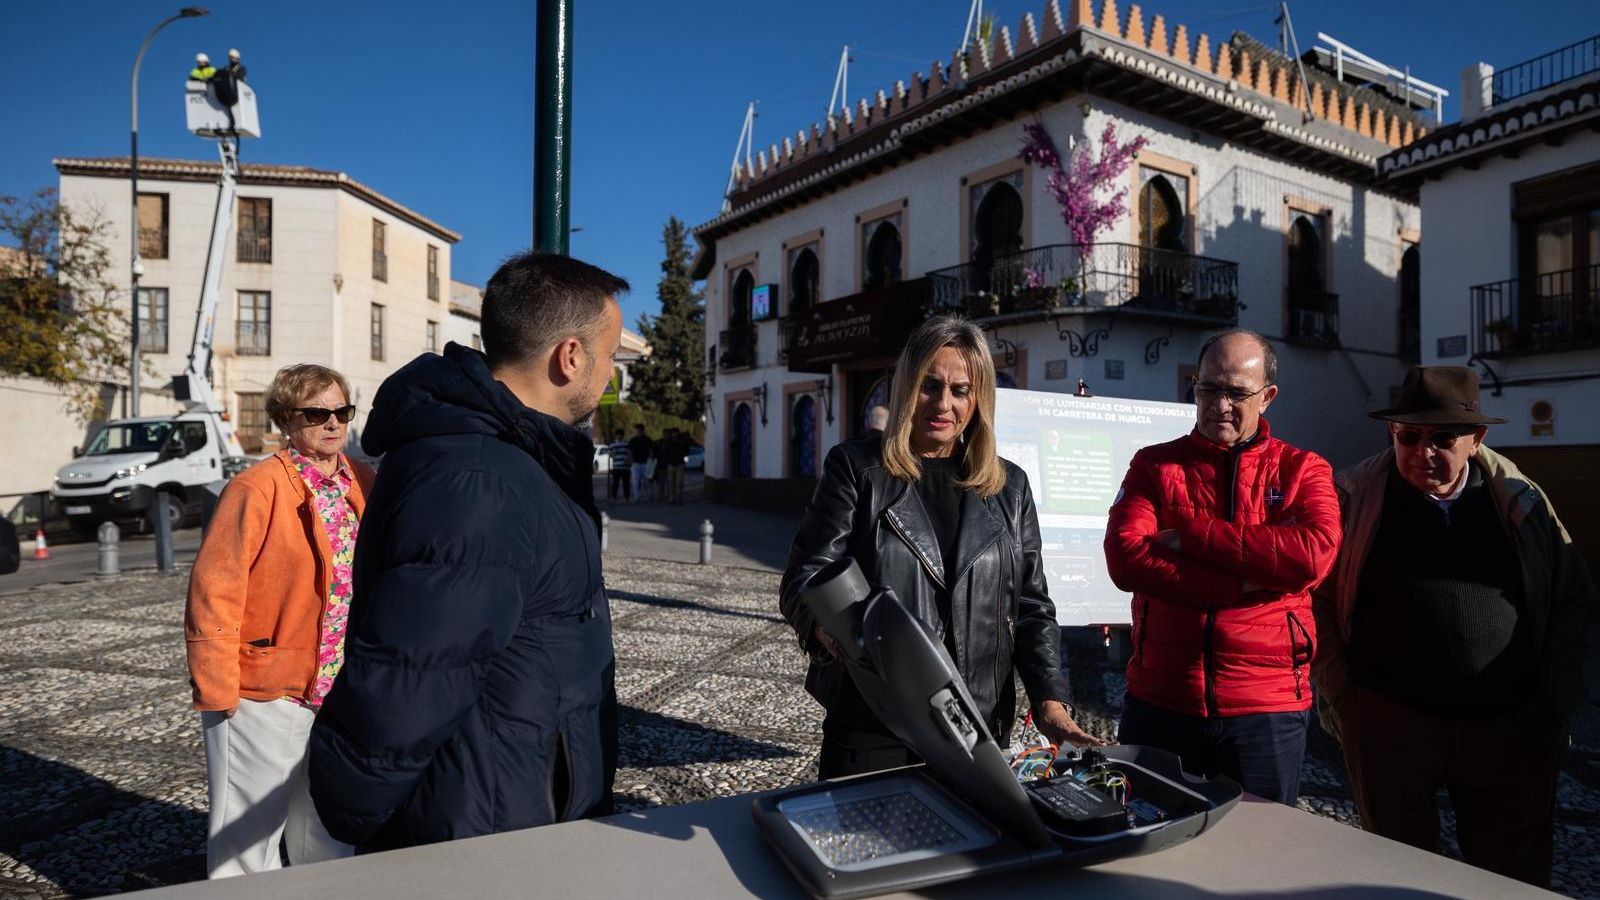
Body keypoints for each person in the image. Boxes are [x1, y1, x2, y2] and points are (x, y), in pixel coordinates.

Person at [309, 252, 625, 852]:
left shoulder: (514, 460)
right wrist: (351, 812)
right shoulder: (481, 477)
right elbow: (413, 674)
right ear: (571, 356)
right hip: (484, 826)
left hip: (516, 802)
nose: (611, 375)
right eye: (609, 356)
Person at [1312, 366, 1597, 888]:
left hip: (1507, 725)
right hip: (1388, 723)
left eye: (1443, 438)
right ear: (1391, 433)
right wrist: (1345, 695)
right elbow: (1319, 599)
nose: (1424, 452)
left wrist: (1551, 702)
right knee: (1396, 876)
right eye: (1409, 436)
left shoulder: (1520, 499)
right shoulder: (1354, 496)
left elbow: (1573, 596)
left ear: (1476, 439)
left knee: (1511, 877)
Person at [781, 315, 1100, 778]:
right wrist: (829, 629)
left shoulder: (1011, 488)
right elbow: (804, 576)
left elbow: (1031, 606)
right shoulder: (855, 469)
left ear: (979, 399)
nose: (943, 404)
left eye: (960, 390)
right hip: (874, 725)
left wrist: (1051, 700)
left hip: (978, 729)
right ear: (907, 387)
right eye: (930, 386)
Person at [1103, 329, 1340, 805]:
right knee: (1145, 850)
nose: (1221, 405)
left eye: (1237, 392)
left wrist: (1190, 536)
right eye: (1209, 388)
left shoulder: (1302, 469)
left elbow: (1313, 552)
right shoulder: (1154, 465)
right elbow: (1126, 559)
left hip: (1265, 708)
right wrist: (1244, 583)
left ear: (1267, 397)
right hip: (1160, 700)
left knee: (1260, 861)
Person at [184, 364, 372, 877]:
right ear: (286, 420)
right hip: (263, 689)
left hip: (339, 685)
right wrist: (217, 687)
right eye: (317, 413)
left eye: (342, 411)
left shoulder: (362, 480)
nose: (333, 424)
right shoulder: (256, 487)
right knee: (247, 837)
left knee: (327, 829)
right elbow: (213, 590)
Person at [659, 426, 687, 505]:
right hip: (671, 464)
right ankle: (672, 497)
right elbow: (664, 452)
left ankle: (679, 497)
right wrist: (667, 462)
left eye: (675, 433)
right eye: (672, 433)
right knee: (671, 482)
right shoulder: (668, 442)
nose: (674, 434)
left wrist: (685, 462)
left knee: (680, 481)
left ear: (678, 433)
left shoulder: (682, 441)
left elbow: (687, 452)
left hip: (680, 464)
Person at [628, 423, 654, 502]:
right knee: (635, 481)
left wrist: (651, 461)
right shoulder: (633, 440)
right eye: (636, 430)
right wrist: (631, 461)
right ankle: (637, 496)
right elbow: (630, 451)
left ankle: (650, 495)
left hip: (646, 463)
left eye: (639, 430)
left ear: (643, 430)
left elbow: (651, 451)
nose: (638, 432)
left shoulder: (648, 439)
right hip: (636, 463)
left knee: (647, 481)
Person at [607, 427, 632, 502]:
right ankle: (613, 498)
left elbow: (630, 453)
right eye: (618, 435)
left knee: (626, 484)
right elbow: (610, 454)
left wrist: (628, 460)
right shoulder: (612, 444)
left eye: (621, 435)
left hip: (625, 467)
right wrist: (613, 454)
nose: (619, 436)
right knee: (615, 484)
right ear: (616, 435)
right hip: (616, 467)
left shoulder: (627, 444)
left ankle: (626, 498)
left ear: (623, 435)